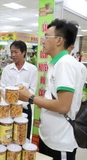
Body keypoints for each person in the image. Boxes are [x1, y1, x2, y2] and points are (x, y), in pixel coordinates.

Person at [19, 19, 87, 160]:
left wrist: (30, 97)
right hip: (52, 138)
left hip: (60, 141)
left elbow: (63, 105)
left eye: (46, 36)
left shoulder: (65, 64)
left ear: (59, 40)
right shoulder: (58, 64)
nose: (42, 41)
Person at [0, 40, 38, 139]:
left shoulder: (32, 69)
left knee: (22, 136)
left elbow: (32, 91)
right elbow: (3, 88)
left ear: (23, 52)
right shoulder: (7, 69)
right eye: (11, 52)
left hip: (24, 109)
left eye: (16, 52)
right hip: (7, 109)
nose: (13, 55)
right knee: (7, 135)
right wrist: (14, 100)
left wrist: (17, 101)